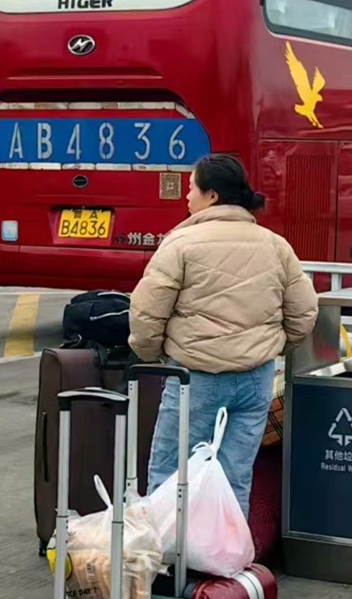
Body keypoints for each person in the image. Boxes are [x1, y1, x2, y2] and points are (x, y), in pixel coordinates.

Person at [129, 154, 318, 517]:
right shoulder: (275, 245)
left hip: (195, 378)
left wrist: (152, 355)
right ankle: (225, 565)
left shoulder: (181, 243)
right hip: (256, 380)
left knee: (171, 474)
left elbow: (146, 313)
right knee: (234, 479)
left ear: (211, 195)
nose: (187, 197)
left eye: (191, 189)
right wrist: (275, 347)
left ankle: (169, 564)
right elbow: (304, 312)